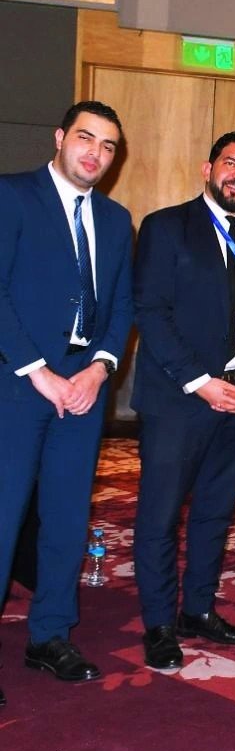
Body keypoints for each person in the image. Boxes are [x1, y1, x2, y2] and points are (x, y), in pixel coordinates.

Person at [131, 132, 235, 671]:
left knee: (216, 512)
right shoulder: (166, 227)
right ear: (208, 168)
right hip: (180, 399)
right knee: (160, 515)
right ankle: (158, 624)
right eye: (230, 163)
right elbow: (151, 312)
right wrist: (201, 382)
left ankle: (197, 609)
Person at [0, 103, 131, 694]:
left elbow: (121, 306)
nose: (95, 153)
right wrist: (39, 371)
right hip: (18, 386)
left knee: (66, 517)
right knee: (4, 516)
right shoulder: (13, 196)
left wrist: (100, 370)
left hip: (83, 391)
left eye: (107, 146)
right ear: (59, 138)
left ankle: (50, 635)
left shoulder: (116, 219)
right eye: (85, 138)